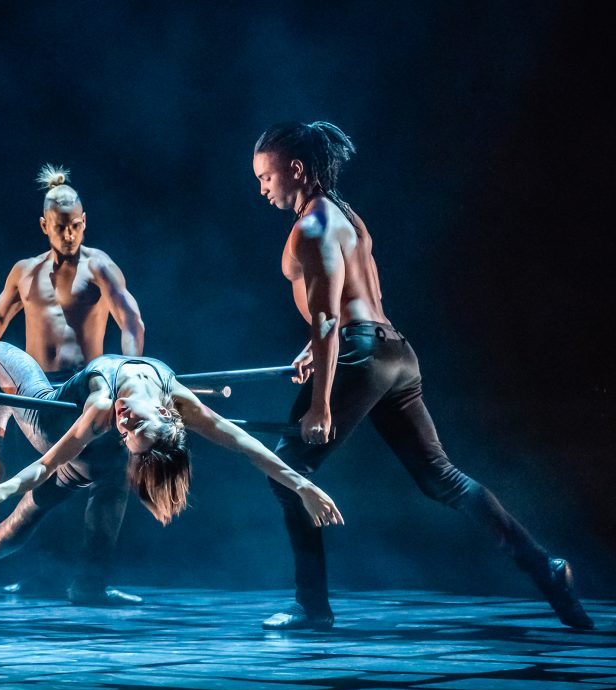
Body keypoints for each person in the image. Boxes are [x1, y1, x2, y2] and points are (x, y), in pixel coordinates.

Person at [251, 120, 594, 630]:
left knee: (286, 470)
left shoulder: (312, 227)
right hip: (394, 352)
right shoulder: (345, 215)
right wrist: (317, 350)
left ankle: (312, 606)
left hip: (362, 356)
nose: (262, 188)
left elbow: (326, 319)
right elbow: (359, 300)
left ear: (296, 169)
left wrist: (321, 403)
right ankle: (545, 567)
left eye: (266, 177)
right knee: (442, 479)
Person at [0, 342, 344, 600]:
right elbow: (245, 443)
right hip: (95, 462)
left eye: (127, 432)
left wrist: (0, 486)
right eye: (135, 424)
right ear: (166, 411)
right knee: (36, 507)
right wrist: (302, 485)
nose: (124, 422)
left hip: (52, 431)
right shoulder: (181, 401)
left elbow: (48, 463)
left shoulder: (104, 406)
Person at [0, 165, 146, 605]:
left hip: (86, 394)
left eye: (76, 225)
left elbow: (130, 320)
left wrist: (131, 374)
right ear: (45, 226)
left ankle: (91, 584)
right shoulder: (24, 271)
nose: (70, 234)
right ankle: (37, 575)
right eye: (61, 227)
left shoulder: (100, 266)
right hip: (37, 396)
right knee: (44, 482)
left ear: (85, 221)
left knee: (109, 479)